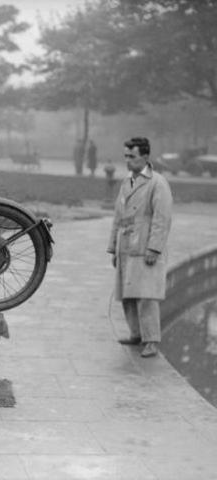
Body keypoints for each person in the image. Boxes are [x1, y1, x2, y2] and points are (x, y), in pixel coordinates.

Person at [107, 137, 173, 357]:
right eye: (126, 156)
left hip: (145, 248)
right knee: (127, 294)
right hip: (126, 247)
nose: (128, 161)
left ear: (145, 157)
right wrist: (113, 247)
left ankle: (151, 340)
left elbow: (162, 219)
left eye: (132, 156)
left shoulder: (157, 182)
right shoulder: (127, 182)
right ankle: (136, 333)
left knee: (146, 296)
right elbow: (118, 216)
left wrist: (154, 248)